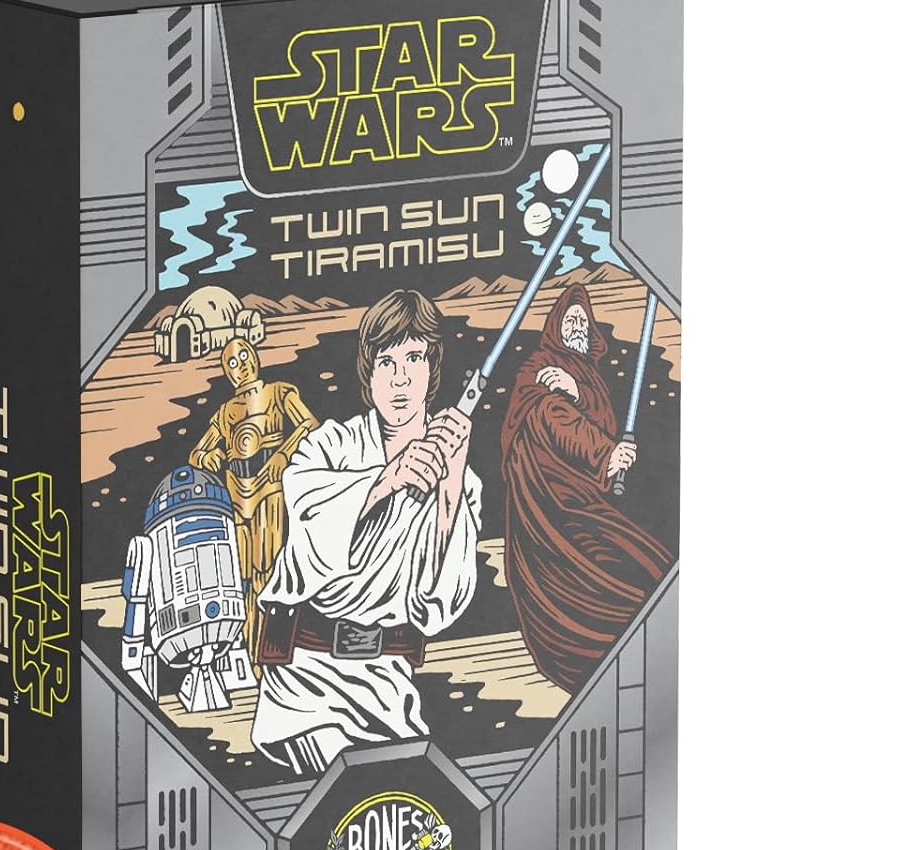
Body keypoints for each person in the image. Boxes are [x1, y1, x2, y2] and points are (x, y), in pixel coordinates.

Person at [251, 289, 481, 777]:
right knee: (347, 786)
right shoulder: (327, 447)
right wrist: (385, 480)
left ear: (432, 368)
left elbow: (439, 605)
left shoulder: (463, 481)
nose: (400, 379)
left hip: (387, 682)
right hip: (306, 682)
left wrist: (451, 483)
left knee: (406, 796)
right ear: (368, 372)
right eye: (386, 362)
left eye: (414, 359)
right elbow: (310, 528)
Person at [500, 281, 673, 694]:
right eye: (570, 320)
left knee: (633, 562)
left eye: (583, 320)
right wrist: (605, 454)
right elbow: (543, 415)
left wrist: (577, 390)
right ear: (555, 326)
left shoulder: (588, 377)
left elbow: (604, 421)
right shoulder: (537, 365)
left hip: (583, 494)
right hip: (544, 493)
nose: (577, 326)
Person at [189, 338, 317, 660]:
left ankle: (268, 653)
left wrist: (284, 454)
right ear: (226, 372)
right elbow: (197, 452)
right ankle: (247, 653)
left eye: (244, 355)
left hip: (269, 490)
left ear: (256, 357)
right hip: (236, 495)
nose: (241, 365)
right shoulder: (225, 413)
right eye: (231, 362)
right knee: (241, 578)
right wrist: (209, 456)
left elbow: (308, 424)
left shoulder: (277, 393)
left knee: (268, 572)